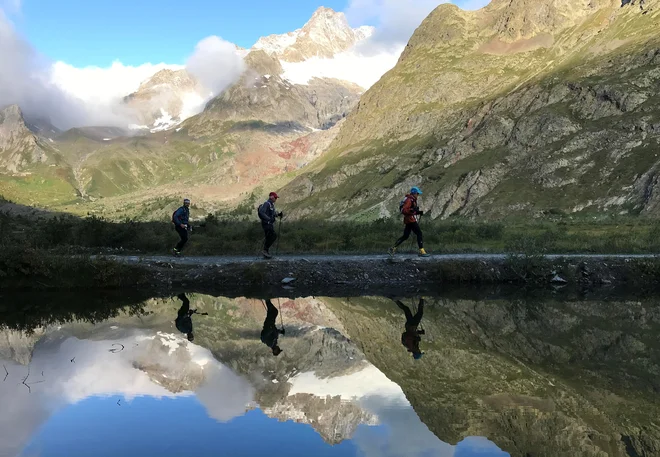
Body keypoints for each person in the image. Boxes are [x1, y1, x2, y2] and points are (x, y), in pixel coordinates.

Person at [389, 187, 430, 257]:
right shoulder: (409, 200)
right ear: (414, 193)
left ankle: (393, 248)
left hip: (408, 220)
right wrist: (412, 210)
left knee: (405, 236)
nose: (418, 195)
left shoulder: (411, 199)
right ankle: (422, 251)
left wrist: (418, 212)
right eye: (417, 193)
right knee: (419, 233)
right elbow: (405, 210)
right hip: (411, 219)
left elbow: (411, 211)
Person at [258, 192, 283, 259]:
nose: (276, 199)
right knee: (273, 236)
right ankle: (265, 250)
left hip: (269, 224)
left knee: (269, 237)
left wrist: (278, 214)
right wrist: (268, 219)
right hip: (267, 224)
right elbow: (261, 212)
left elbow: (272, 214)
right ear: (271, 197)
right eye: (275, 197)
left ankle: (266, 252)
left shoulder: (271, 205)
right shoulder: (267, 204)